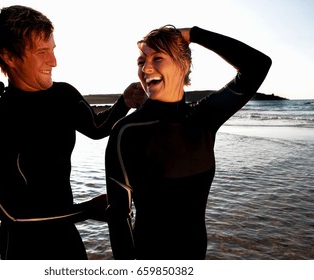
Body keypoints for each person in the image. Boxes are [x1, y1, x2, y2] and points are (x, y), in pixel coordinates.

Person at [0, 5, 145, 260]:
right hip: (24, 248)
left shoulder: (64, 95)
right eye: (41, 52)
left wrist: (124, 102)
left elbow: (97, 128)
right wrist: (87, 210)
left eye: (53, 50)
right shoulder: (0, 125)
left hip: (67, 238)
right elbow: (14, 215)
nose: (54, 61)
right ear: (10, 57)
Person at [105, 25, 272, 260]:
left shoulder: (203, 118)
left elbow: (258, 65)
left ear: (183, 65)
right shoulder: (127, 131)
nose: (146, 68)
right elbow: (119, 215)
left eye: (158, 57)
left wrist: (195, 34)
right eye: (141, 61)